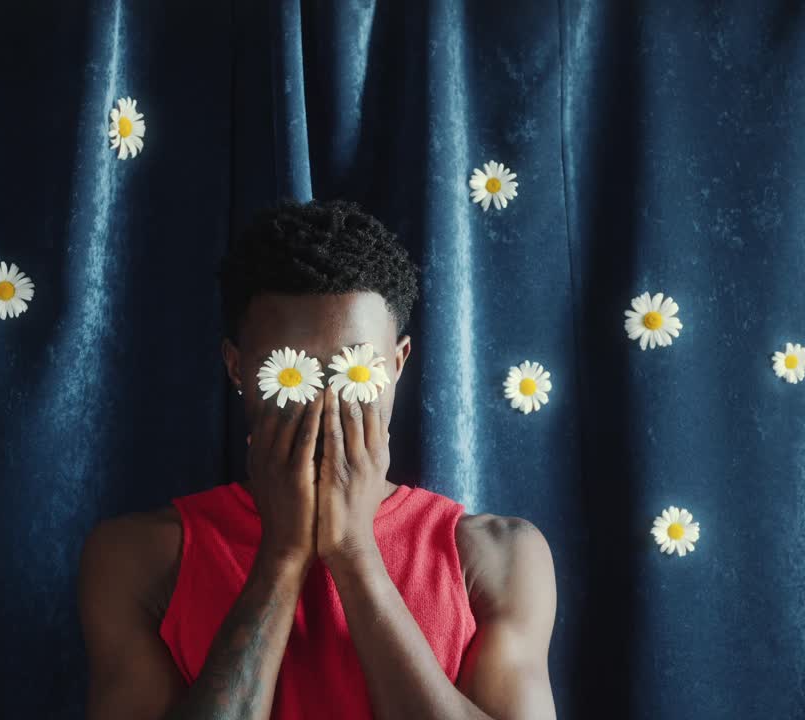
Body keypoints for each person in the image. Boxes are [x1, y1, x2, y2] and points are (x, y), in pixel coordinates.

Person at [78, 199, 558, 720]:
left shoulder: (499, 557)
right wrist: (281, 557)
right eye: (292, 372)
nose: (324, 402)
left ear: (396, 365)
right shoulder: (140, 556)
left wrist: (354, 552)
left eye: (354, 373)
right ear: (239, 369)